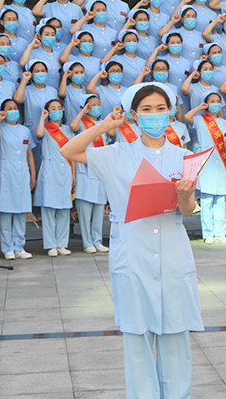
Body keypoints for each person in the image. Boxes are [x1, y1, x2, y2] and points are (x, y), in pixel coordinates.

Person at [61, 81, 204, 399]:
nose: (155, 115)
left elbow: (189, 211)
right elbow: (68, 150)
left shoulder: (186, 157)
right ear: (134, 115)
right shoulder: (116, 155)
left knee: (176, 335)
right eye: (146, 110)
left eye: (161, 108)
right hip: (133, 253)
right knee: (137, 337)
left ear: (170, 113)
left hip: (172, 251)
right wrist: (105, 125)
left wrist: (184, 196)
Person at [0, 99, 35, 260]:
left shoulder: (24, 130)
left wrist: (33, 175)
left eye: (15, 108)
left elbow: (29, 152)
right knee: (6, 211)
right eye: (9, 108)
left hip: (22, 171)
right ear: (2, 111)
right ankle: (7, 247)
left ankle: (19, 246)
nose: (13, 111)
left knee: (21, 211)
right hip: (5, 170)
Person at [184, 92, 226, 244]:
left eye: (218, 101)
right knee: (207, 199)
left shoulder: (224, 122)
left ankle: (220, 233)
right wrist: (200, 107)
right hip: (205, 161)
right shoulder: (199, 119)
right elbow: (187, 117)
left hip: (221, 161)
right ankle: (208, 233)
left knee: (220, 199)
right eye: (212, 101)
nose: (215, 104)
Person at [69, 94, 112, 253]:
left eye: (98, 104)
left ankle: (97, 240)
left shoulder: (102, 124)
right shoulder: (81, 123)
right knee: (85, 209)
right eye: (92, 104)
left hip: (100, 168)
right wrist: (83, 112)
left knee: (99, 207)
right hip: (84, 169)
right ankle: (87, 242)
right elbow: (73, 126)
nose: (96, 106)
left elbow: (111, 135)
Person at [34, 99, 74, 257]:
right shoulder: (44, 127)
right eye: (53, 108)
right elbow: (38, 135)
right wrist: (42, 118)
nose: (57, 111)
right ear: (47, 111)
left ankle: (62, 244)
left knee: (64, 208)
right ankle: (51, 245)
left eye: (59, 108)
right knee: (49, 209)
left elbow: (73, 151)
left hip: (66, 169)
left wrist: (74, 174)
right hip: (50, 169)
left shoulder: (68, 129)